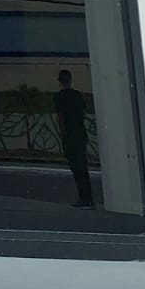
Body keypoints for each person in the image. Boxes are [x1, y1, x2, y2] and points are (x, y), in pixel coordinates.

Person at [55, 69, 94, 209]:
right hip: (80, 133)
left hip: (70, 135)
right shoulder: (77, 95)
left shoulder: (60, 97)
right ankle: (87, 198)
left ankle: (84, 198)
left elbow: (60, 118)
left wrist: (63, 134)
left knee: (76, 168)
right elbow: (82, 113)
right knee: (82, 167)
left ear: (60, 81)